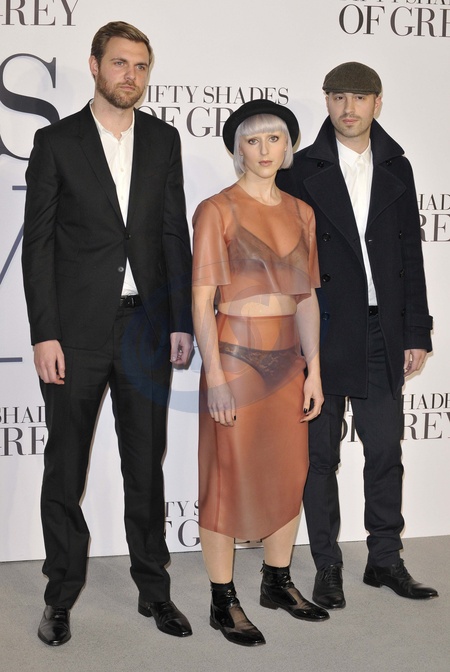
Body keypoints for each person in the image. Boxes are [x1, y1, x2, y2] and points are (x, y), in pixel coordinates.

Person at [22, 21, 194, 646]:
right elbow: (39, 245)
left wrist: (180, 320)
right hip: (75, 332)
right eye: (120, 63)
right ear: (94, 65)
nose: (131, 75)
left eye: (141, 66)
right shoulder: (56, 142)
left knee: (145, 464)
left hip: (145, 328)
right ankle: (60, 595)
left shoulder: (163, 140)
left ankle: (155, 589)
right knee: (65, 467)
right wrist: (45, 333)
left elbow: (173, 233)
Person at [277, 61, 438, 609]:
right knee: (320, 456)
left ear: (377, 102)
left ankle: (385, 559)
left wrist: (416, 329)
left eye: (360, 98)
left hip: (380, 331)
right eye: (340, 97)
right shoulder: (299, 169)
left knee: (385, 449)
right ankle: (327, 564)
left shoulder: (397, 165)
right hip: (320, 331)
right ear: (326, 101)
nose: (349, 108)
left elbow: (410, 253)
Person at [192, 99, 329, 647]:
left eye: (275, 138)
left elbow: (307, 299)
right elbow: (201, 302)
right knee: (225, 478)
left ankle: (277, 581)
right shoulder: (216, 210)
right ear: (238, 149)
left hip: (289, 362)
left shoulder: (302, 212)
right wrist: (216, 376)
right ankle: (222, 599)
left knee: (289, 471)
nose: (265, 150)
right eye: (253, 140)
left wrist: (313, 370)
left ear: (287, 146)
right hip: (235, 358)